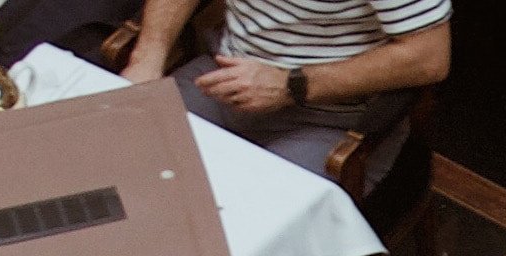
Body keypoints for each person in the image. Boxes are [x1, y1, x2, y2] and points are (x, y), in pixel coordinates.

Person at [120, 0, 449, 178]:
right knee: (116, 165)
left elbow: (429, 56)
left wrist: (291, 84)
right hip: (223, 80)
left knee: (236, 235)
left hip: (329, 120)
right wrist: (148, 56)